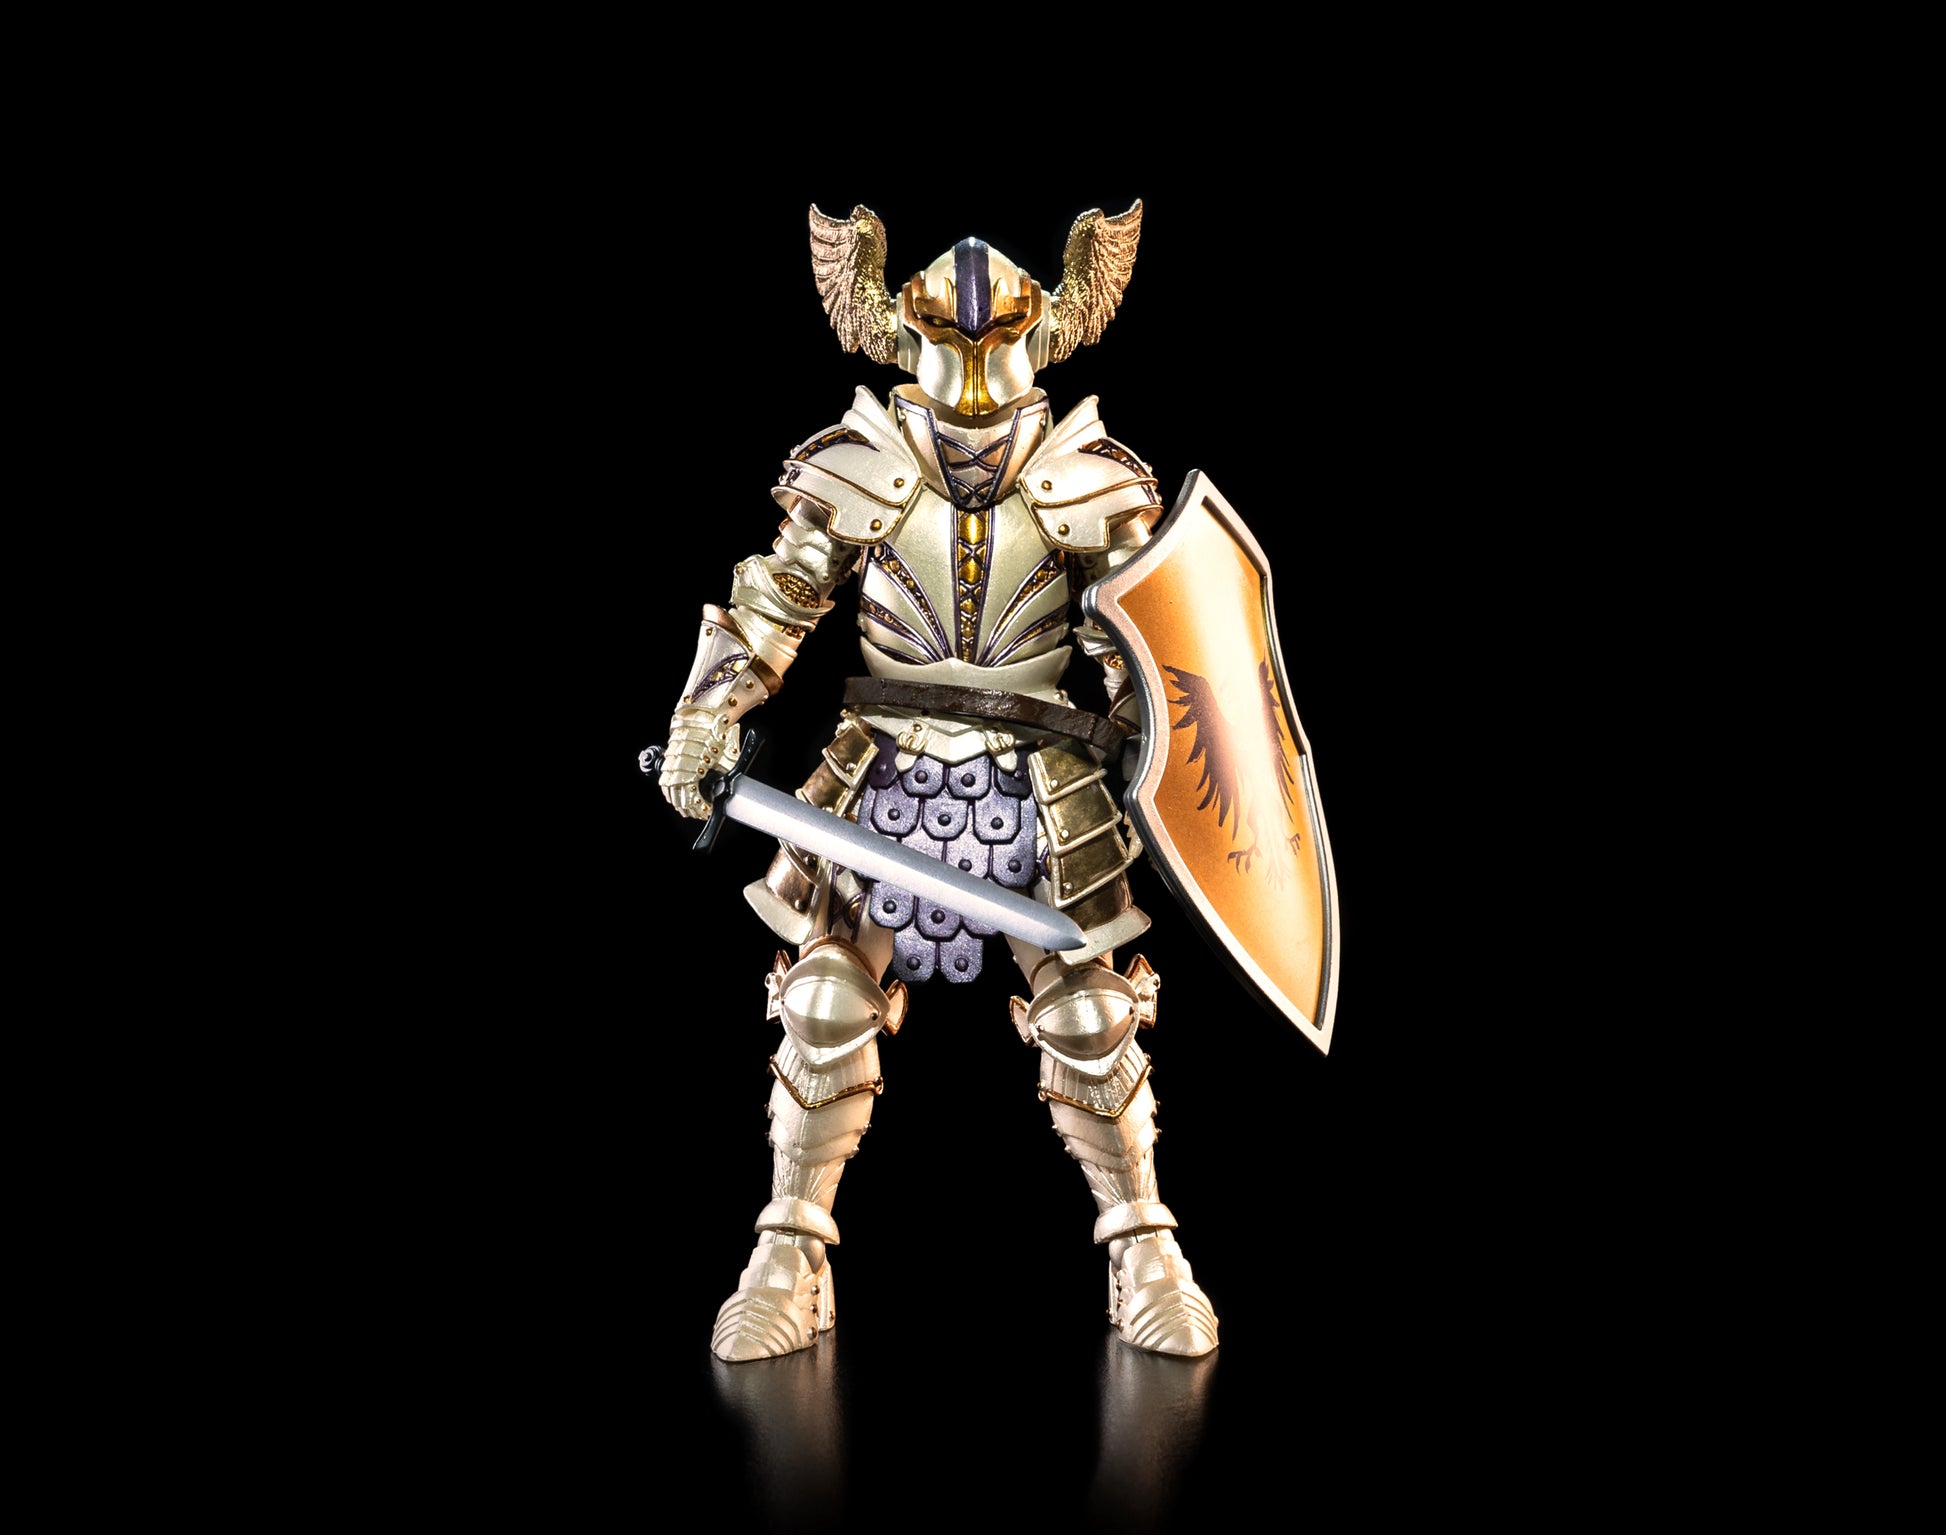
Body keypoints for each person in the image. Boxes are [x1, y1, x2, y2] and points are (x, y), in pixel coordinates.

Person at [652, 200, 1221, 1362]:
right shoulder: (858, 461)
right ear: (904, 332)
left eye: (993, 340)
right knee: (822, 998)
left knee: (1090, 1011)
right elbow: (777, 598)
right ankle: (788, 1254)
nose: (971, 372)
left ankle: (1143, 1249)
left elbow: (1155, 647)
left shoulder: (1091, 476)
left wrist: (1147, 733)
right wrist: (705, 710)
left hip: (1043, 774)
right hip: (879, 764)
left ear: (1039, 335)